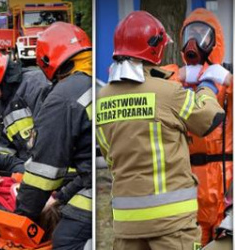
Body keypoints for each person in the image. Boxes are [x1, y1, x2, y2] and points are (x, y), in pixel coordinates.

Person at [96, 11, 225, 249]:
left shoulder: (102, 98)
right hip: (171, 224)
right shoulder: (168, 93)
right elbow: (210, 118)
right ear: (155, 49)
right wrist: (208, 86)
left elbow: (109, 153)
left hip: (126, 224)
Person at [14, 22, 93, 250]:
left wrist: (23, 217)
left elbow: (43, 171)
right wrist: (60, 197)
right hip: (115, 177)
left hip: (105, 186)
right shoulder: (100, 79)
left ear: (47, 62)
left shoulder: (62, 98)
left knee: (66, 239)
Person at [173, 8, 233, 245]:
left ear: (214, 40)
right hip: (189, 182)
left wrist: (227, 79)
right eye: (190, 35)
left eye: (201, 35)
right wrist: (181, 75)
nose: (194, 43)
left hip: (224, 181)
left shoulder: (226, 78)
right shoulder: (174, 78)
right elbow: (154, 86)